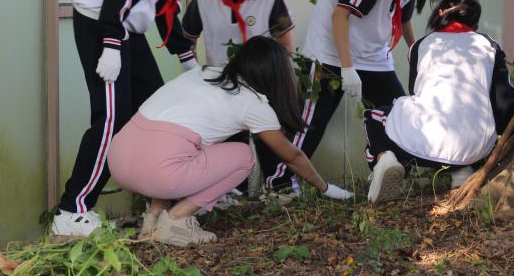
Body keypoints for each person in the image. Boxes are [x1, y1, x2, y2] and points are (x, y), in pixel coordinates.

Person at [51, 0, 246, 237]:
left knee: (156, 111)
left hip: (125, 25)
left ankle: (163, 203)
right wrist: (111, 41)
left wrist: (186, 58)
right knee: (111, 118)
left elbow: (163, 3)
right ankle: (71, 210)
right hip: (102, 20)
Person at [107, 36, 353, 247]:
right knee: (244, 157)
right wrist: (326, 188)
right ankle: (176, 220)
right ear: (276, 74)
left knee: (177, 147)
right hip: (158, 171)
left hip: (119, 159)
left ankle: (152, 219)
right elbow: (292, 156)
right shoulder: (252, 102)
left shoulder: (203, 72)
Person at [261, 0, 453, 194]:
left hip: (373, 56)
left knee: (397, 115)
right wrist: (347, 68)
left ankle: (385, 171)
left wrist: (414, 50)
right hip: (329, 52)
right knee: (312, 121)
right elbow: (340, 16)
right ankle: (280, 184)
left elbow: (404, 17)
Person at [364, 0, 514, 203]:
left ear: (439, 12)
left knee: (373, 117)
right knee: (474, 118)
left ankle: (387, 160)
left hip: (423, 144)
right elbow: (504, 102)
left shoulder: (420, 45)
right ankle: (464, 171)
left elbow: (416, 91)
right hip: (477, 148)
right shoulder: (489, 46)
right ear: (475, 23)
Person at [182, 0, 295, 199]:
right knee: (230, 142)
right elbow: (186, 41)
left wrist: (282, 82)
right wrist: (193, 71)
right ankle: (235, 193)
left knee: (271, 138)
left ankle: (280, 190)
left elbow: (286, 45)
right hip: (222, 86)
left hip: (263, 84)